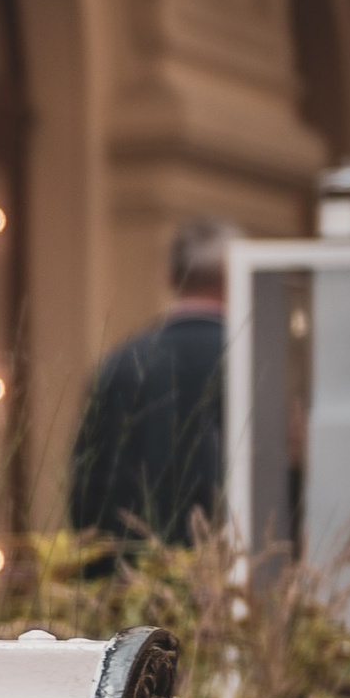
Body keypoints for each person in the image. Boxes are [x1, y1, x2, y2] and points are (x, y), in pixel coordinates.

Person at [67, 216, 228, 550]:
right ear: (234, 276)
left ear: (169, 278)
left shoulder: (119, 363)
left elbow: (85, 489)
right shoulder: (253, 361)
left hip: (127, 583)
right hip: (228, 579)